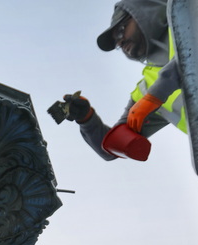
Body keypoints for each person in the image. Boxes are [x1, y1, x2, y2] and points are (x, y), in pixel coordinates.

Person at [49, 0, 185, 160]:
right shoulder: (145, 91)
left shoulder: (192, 14)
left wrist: (155, 95)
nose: (120, 42)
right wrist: (86, 119)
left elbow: (195, 56)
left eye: (120, 32)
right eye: (117, 43)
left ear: (143, 13)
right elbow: (111, 149)